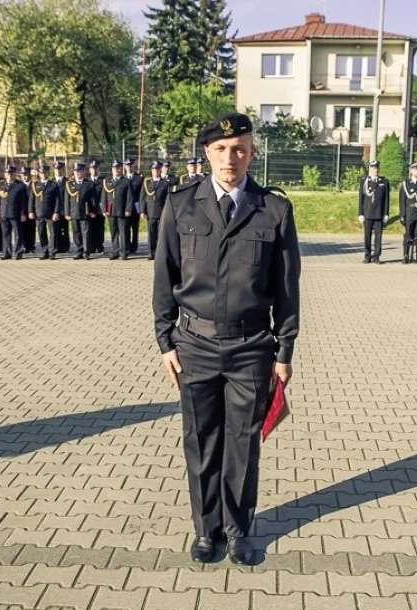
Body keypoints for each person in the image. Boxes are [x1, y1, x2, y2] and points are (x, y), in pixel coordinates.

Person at [152, 112, 301, 566]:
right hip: (194, 345)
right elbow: (164, 275)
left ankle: (238, 529)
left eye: (239, 148)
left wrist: (284, 349)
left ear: (252, 152)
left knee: (242, 443)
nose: (229, 157)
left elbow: (287, 287)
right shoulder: (180, 205)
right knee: (200, 441)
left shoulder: (273, 208)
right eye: (220, 149)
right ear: (207, 154)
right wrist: (165, 341)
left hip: (251, 347)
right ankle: (205, 529)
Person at [358, 160, 389, 264]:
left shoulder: (384, 182)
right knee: (367, 236)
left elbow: (386, 199)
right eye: (373, 168)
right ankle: (367, 256)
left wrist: (386, 213)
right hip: (367, 212)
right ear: (370, 169)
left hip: (379, 213)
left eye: (377, 168)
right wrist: (360, 213)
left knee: (378, 237)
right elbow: (361, 198)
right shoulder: (364, 181)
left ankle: (376, 256)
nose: (376, 170)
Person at [101, 160, 133, 260]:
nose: (117, 170)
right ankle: (115, 251)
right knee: (113, 232)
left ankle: (124, 252)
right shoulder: (107, 181)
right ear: (112, 169)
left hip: (122, 211)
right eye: (115, 168)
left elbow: (129, 197)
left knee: (123, 232)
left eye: (118, 168)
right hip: (110, 211)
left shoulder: (126, 181)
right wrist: (104, 209)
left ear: (121, 169)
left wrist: (128, 209)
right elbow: (104, 197)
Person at [399, 161, 417, 264]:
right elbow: (402, 201)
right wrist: (402, 215)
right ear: (411, 170)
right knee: (408, 235)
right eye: (415, 169)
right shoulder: (406, 183)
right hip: (410, 212)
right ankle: (406, 255)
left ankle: (414, 256)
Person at [0, 165, 28, 260]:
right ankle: (6, 252)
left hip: (16, 213)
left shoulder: (20, 185)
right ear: (5, 175)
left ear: (15, 175)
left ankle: (18, 252)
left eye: (11, 174)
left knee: (18, 234)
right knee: (5, 234)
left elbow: (23, 201)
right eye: (7, 174)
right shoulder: (1, 184)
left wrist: (23, 213)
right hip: (4, 213)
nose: (9, 176)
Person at [31, 164, 61, 260]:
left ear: (48, 173)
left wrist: (56, 212)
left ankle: (52, 252)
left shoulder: (53, 184)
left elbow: (57, 200)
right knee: (41, 233)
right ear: (39, 174)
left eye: (45, 172)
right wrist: (30, 211)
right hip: (39, 213)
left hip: (50, 213)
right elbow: (31, 199)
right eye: (41, 173)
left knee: (53, 233)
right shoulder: (35, 185)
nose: (43, 174)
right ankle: (45, 251)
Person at [65, 163, 94, 260]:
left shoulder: (89, 184)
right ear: (74, 172)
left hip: (85, 212)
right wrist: (67, 213)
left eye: (80, 171)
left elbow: (92, 199)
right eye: (76, 171)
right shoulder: (69, 184)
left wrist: (92, 211)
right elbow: (67, 200)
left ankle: (86, 252)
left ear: (83, 172)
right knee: (76, 233)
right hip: (74, 213)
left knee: (86, 233)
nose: (78, 173)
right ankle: (79, 251)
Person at [141, 161, 169, 261]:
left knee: (161, 234)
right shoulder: (147, 182)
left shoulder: (165, 183)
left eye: (158, 169)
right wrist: (142, 211)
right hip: (151, 212)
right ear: (151, 171)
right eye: (154, 169)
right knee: (151, 234)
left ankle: (160, 252)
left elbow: (167, 199)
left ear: (160, 170)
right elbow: (142, 197)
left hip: (161, 212)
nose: (156, 171)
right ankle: (151, 252)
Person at [124, 159, 143, 254]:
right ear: (125, 167)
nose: (129, 167)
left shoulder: (139, 178)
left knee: (135, 228)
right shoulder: (123, 179)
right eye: (127, 166)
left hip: (136, 206)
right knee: (126, 228)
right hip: (125, 207)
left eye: (131, 165)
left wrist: (141, 208)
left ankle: (134, 246)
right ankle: (127, 246)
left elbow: (141, 194)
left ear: (134, 166)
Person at [86, 160, 105, 255]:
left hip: (99, 209)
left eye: (96, 168)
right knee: (90, 228)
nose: (94, 171)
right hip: (89, 208)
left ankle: (99, 246)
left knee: (100, 228)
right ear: (89, 170)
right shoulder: (86, 181)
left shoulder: (102, 181)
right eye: (92, 169)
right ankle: (91, 246)